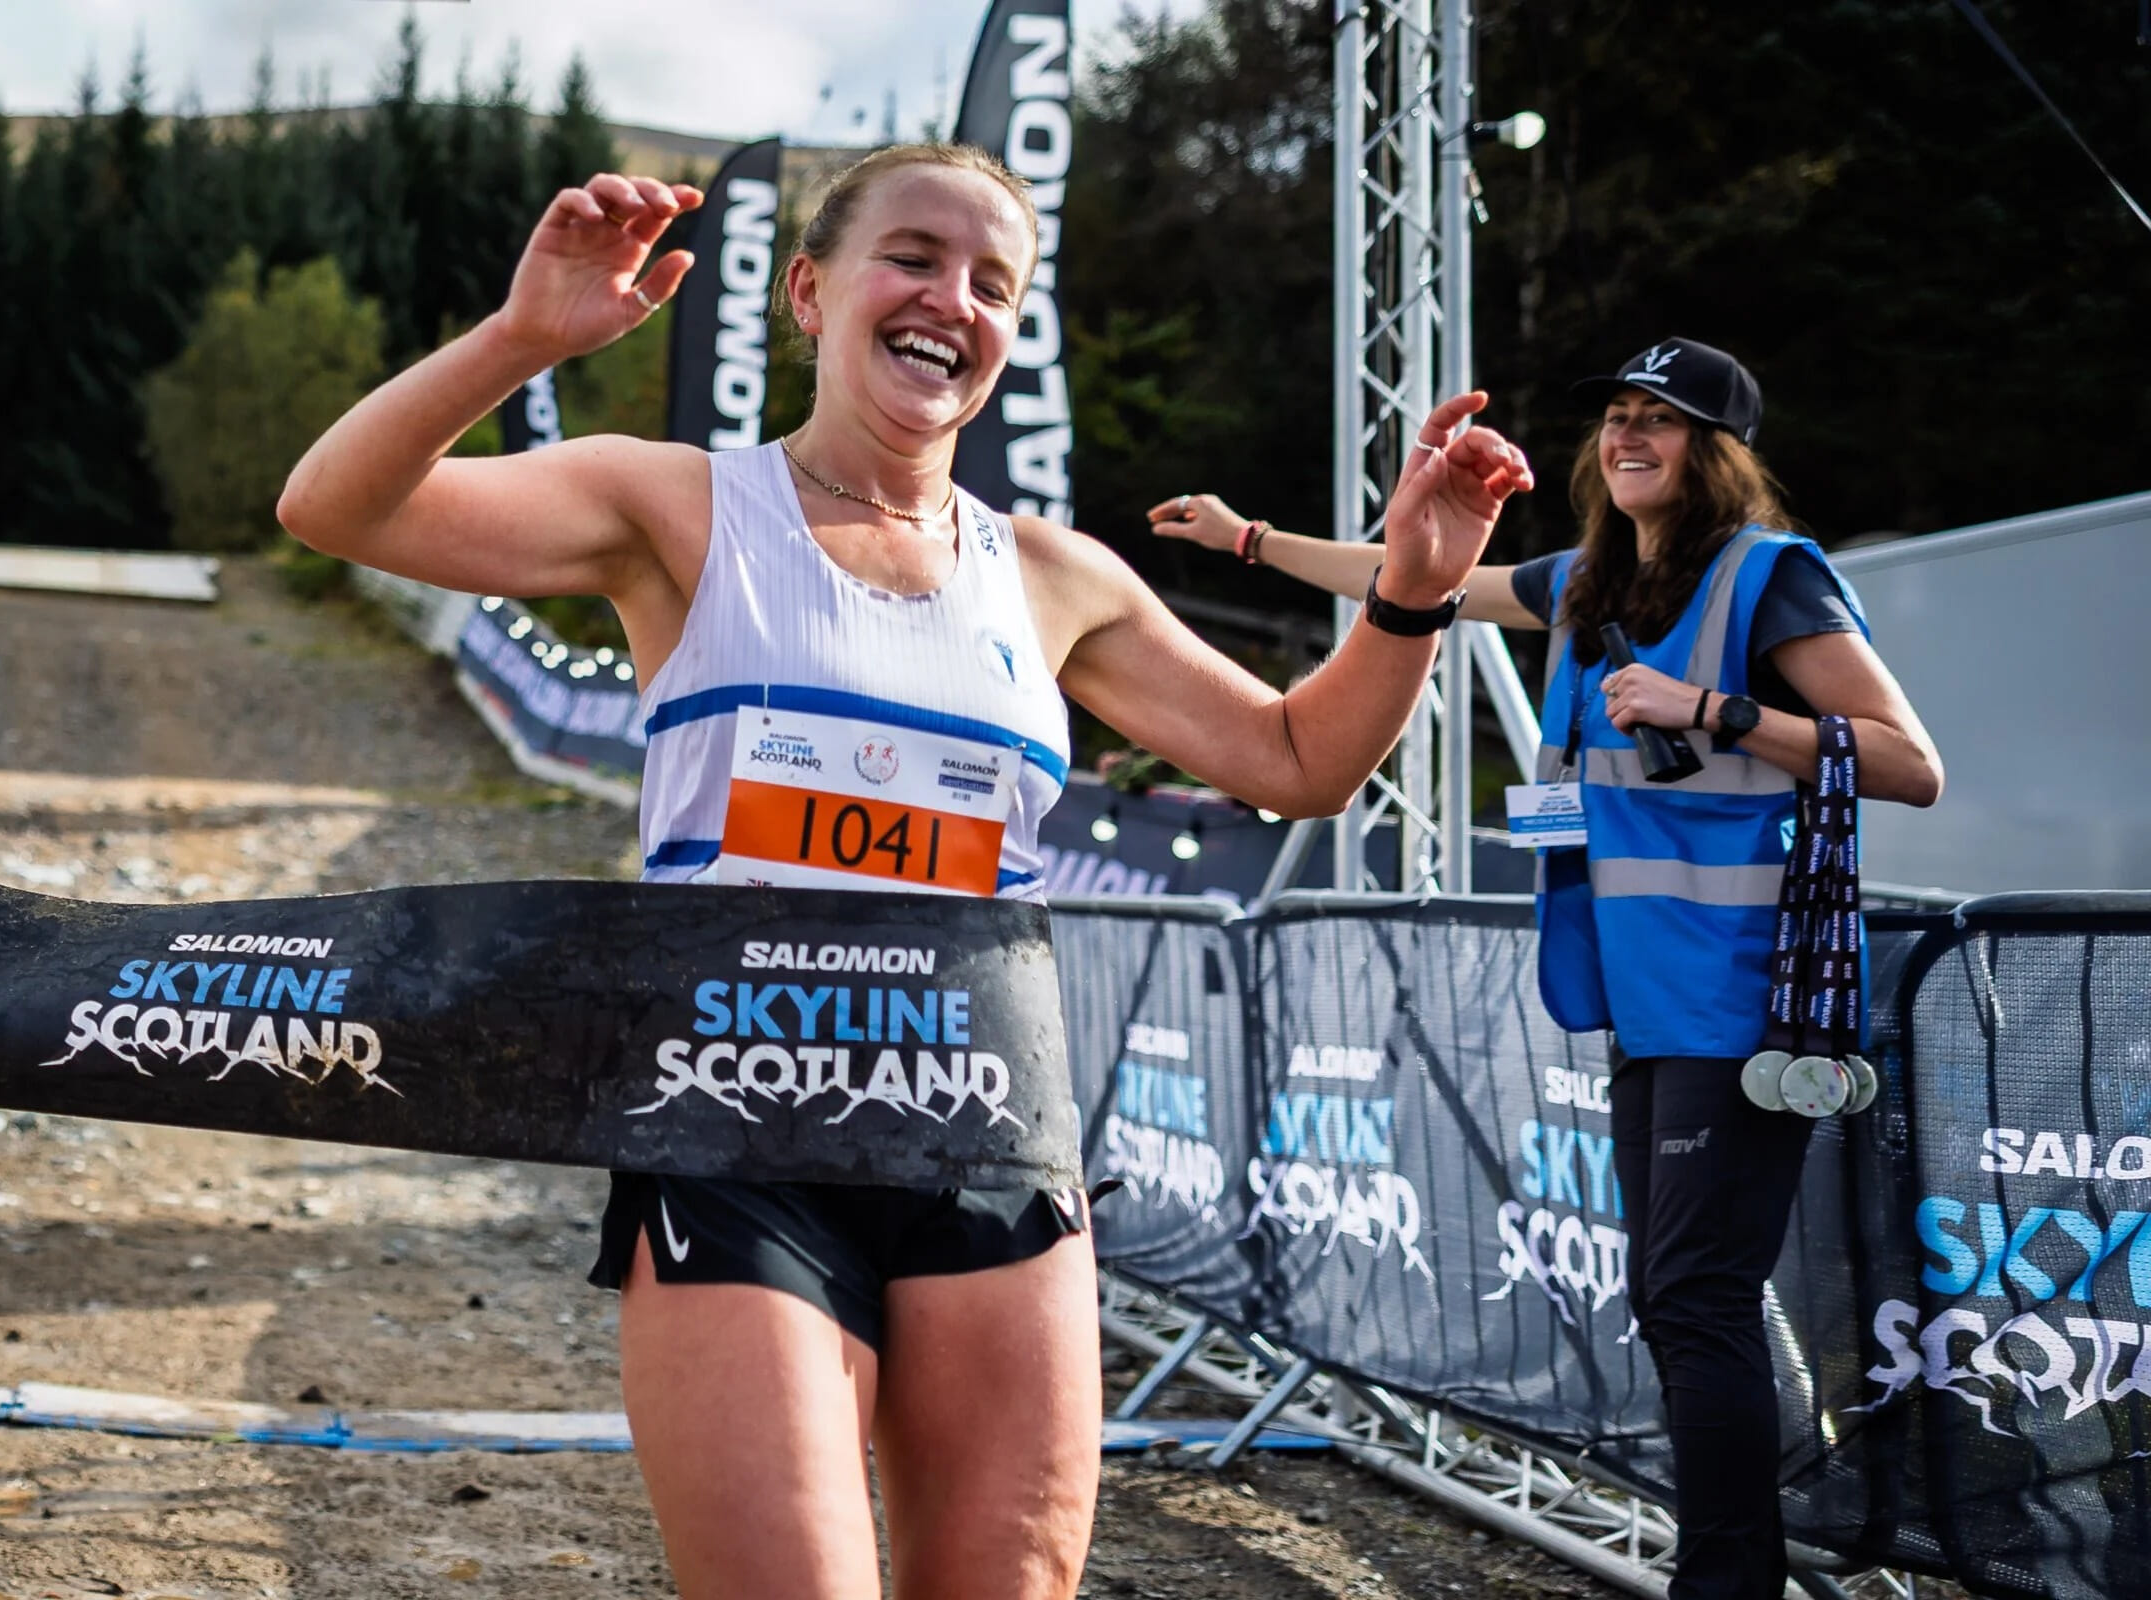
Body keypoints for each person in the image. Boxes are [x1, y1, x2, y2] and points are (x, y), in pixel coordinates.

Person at [278, 144, 1530, 1600]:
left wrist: (1417, 588)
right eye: (917, 259)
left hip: (982, 1138)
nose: (955, 301)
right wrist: (523, 340)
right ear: (810, 291)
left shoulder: (1053, 577)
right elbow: (338, 508)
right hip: (737, 1136)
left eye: (996, 284)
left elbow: (1302, 760)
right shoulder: (679, 508)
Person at [1148, 337, 1943, 1600]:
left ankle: (1726, 1583)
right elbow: (1410, 581)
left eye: (1662, 420)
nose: (1629, 436)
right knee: (1678, 1295)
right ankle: (1721, 1570)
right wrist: (1249, 541)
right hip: (1644, 1000)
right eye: (1617, 416)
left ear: (1717, 452)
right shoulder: (1587, 582)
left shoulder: (1770, 576)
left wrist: (1717, 713)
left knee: (1694, 1294)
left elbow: (1909, 762)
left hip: (1748, 1000)